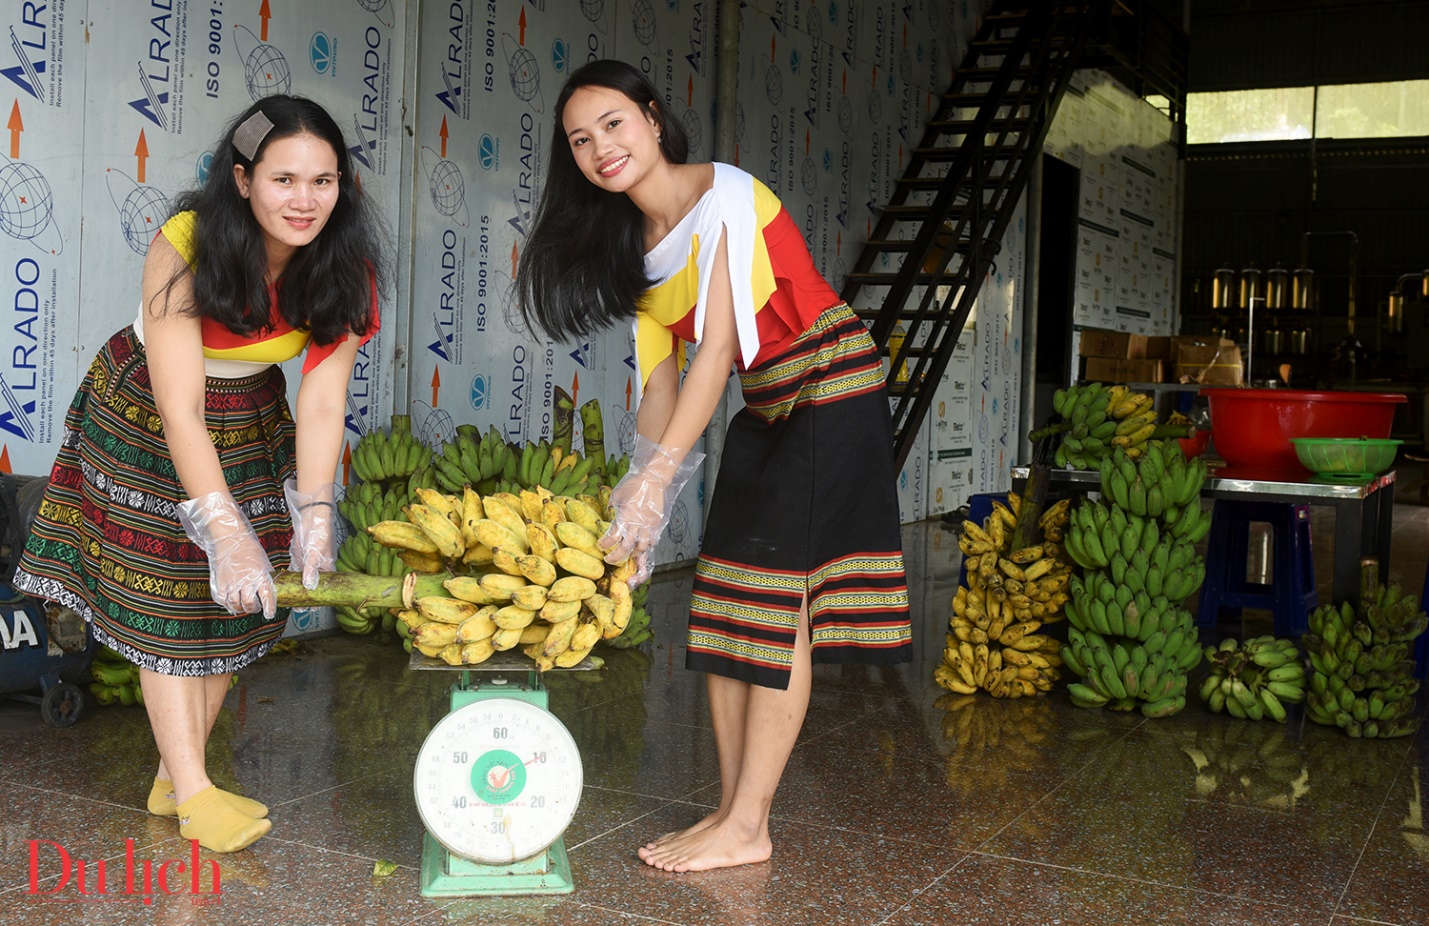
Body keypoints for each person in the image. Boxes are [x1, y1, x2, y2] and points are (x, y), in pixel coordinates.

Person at [516, 59, 913, 872]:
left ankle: (749, 823)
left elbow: (719, 349)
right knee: (726, 597)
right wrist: (639, 503)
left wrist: (661, 480)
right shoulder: (633, 245)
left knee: (777, 607)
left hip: (831, 384)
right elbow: (659, 382)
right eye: (580, 140)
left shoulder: (724, 194)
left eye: (613, 124)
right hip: (767, 404)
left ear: (652, 118)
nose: (600, 148)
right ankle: (732, 813)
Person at [14, 95, 385, 853]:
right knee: (174, 598)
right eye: (284, 179)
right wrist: (220, 524)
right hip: (150, 410)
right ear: (243, 180)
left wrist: (315, 509)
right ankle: (194, 794)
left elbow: (322, 402)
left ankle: (171, 779)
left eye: (323, 181)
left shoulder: (346, 265)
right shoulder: (185, 243)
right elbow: (180, 407)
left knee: (239, 602)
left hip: (252, 414)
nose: (305, 200)